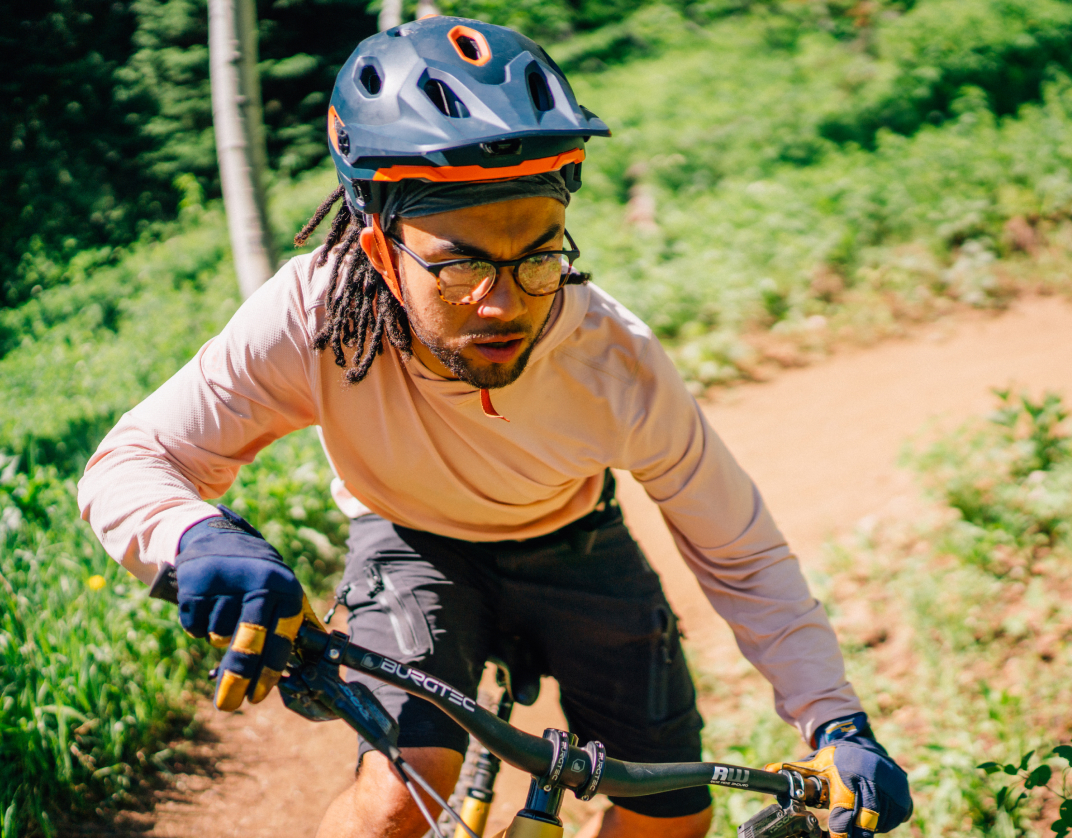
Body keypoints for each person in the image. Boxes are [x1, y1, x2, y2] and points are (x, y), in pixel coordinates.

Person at [78, 15, 912, 838]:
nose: (504, 304)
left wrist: (836, 723)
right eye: (462, 262)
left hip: (575, 544)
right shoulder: (312, 315)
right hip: (408, 541)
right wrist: (192, 536)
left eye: (540, 256)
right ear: (377, 245)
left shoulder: (612, 358)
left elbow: (740, 549)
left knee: (672, 819)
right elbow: (134, 460)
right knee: (400, 800)